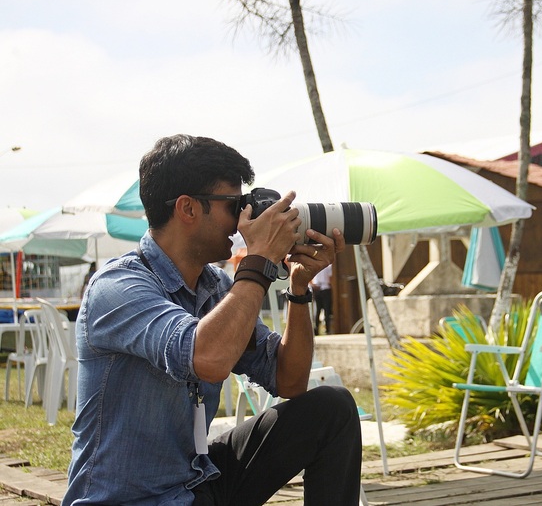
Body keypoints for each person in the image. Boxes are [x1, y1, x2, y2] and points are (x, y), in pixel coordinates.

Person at [64, 135, 362, 505]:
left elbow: (290, 380)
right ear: (188, 208)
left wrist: (299, 288)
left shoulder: (217, 287)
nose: (242, 220)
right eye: (234, 205)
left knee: (331, 408)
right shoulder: (117, 288)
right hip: (130, 498)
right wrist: (259, 261)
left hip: (195, 482)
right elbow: (207, 358)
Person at [311, 264, 332, 335]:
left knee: (319, 310)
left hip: (318, 287)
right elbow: (330, 278)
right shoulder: (328, 266)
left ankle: (317, 329)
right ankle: (326, 329)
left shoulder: (315, 265)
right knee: (325, 309)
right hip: (324, 287)